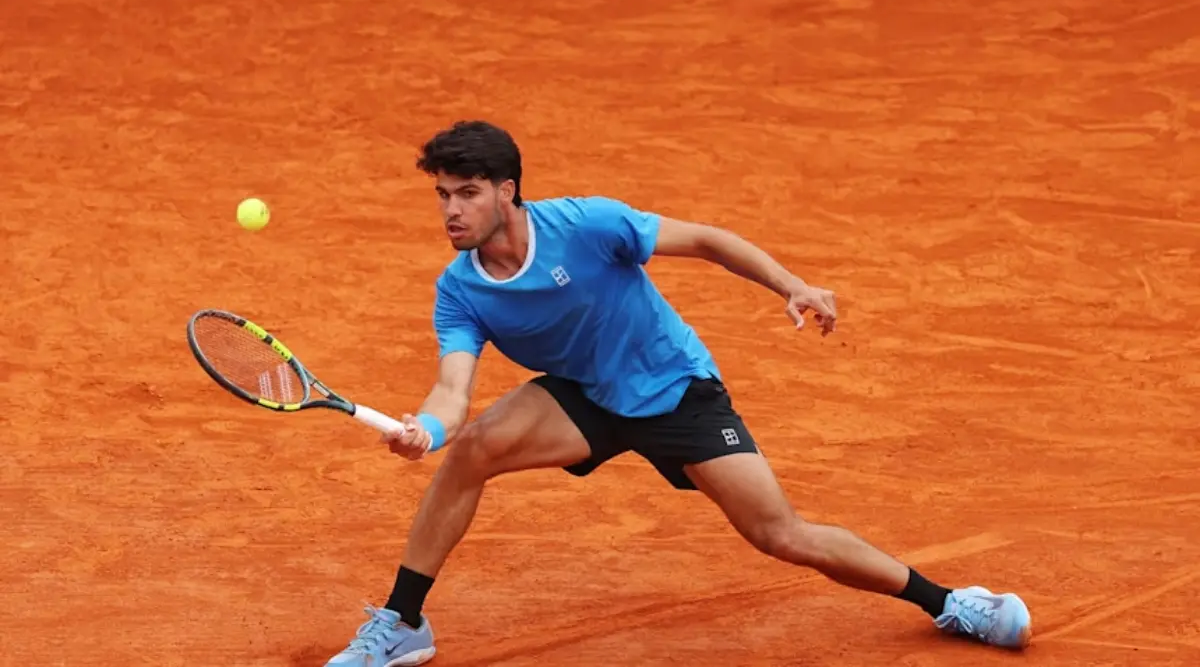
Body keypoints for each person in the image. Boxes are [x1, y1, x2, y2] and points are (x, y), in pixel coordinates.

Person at [323, 120, 1032, 666]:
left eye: (467, 193)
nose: (451, 210)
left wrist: (791, 285)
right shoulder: (461, 290)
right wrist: (427, 430)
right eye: (443, 195)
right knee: (472, 448)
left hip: (674, 390)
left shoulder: (587, 225)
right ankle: (404, 622)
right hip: (585, 395)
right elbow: (453, 390)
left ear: (507, 191)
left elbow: (707, 240)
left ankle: (949, 602)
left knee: (780, 534)